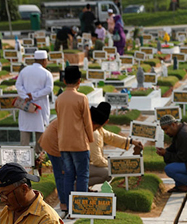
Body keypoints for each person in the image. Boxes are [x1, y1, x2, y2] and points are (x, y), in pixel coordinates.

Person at [55, 66, 93, 207]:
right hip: (79, 143)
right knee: (82, 175)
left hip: (64, 143)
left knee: (69, 175)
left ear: (64, 81)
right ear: (79, 81)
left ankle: (69, 206)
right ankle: (80, 207)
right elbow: (87, 122)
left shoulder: (59, 99)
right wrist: (91, 138)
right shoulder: (81, 98)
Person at [88, 102, 143, 187]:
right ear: (106, 121)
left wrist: (131, 141)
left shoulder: (98, 129)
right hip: (82, 165)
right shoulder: (94, 133)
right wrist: (114, 165)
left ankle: (84, 187)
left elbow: (111, 137)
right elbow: (97, 160)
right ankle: (79, 186)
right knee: (108, 173)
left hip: (84, 163)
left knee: (107, 165)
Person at [16, 50, 54, 148]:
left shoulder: (24, 71)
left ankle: (23, 160)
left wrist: (26, 96)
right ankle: (39, 159)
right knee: (40, 134)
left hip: (26, 105)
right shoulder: (46, 73)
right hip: (40, 107)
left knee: (25, 132)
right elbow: (49, 89)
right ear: (44, 60)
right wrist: (34, 95)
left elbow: (18, 85)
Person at [38, 118, 68, 213]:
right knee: (61, 173)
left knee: (63, 173)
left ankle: (65, 201)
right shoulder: (71, 118)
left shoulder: (68, 115)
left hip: (53, 141)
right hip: (54, 144)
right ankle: (64, 202)